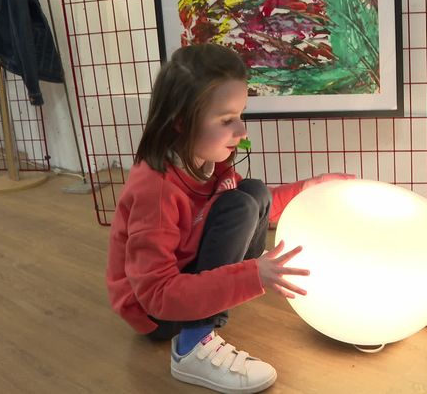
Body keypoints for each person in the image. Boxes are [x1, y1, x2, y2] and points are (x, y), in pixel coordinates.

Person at [105, 43, 353, 394]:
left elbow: (250, 207)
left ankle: (221, 297)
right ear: (181, 122)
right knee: (241, 205)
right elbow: (156, 295)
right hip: (155, 312)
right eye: (226, 120)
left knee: (252, 193)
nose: (242, 131)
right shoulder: (156, 191)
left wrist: (308, 188)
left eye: (241, 114)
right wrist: (253, 274)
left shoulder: (206, 160)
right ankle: (192, 344)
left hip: (184, 278)